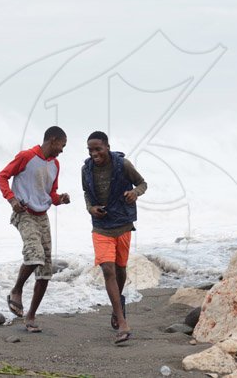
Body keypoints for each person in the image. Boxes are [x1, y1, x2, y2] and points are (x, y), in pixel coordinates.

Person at [0, 126, 70, 333]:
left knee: (45, 271)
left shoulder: (55, 164)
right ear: (53, 140)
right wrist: (11, 200)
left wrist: (61, 199)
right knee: (35, 255)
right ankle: (16, 290)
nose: (62, 150)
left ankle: (30, 316)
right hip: (25, 213)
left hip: (42, 217)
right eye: (62, 145)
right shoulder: (26, 156)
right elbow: (2, 176)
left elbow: (51, 194)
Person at [81, 131, 147, 344]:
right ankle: (122, 322)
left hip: (123, 224)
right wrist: (91, 209)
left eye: (98, 149)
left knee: (120, 270)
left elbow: (143, 184)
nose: (94, 153)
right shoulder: (86, 169)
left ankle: (118, 306)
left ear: (107, 146)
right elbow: (86, 194)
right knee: (108, 270)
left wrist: (135, 193)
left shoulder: (123, 165)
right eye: (90, 150)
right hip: (101, 227)